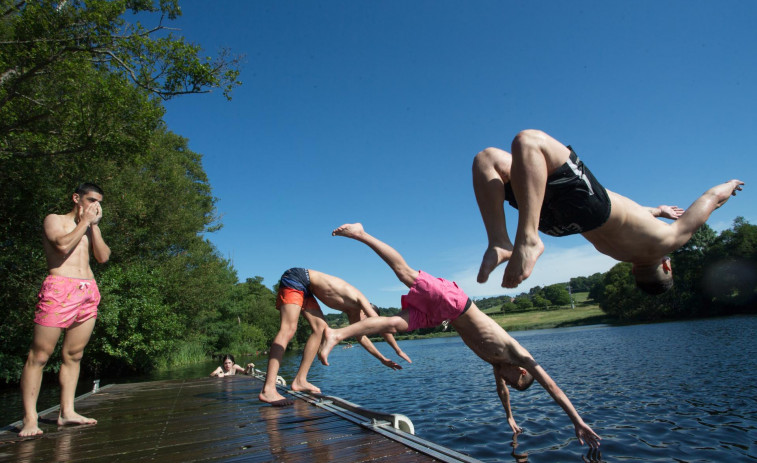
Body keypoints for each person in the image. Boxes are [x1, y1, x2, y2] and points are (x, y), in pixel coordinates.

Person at [319, 223, 600, 448]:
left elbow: (501, 393)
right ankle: (361, 233)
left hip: (444, 316)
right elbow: (554, 389)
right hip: (455, 302)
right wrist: (577, 421)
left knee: (393, 324)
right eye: (514, 383)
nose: (508, 385)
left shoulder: (497, 366)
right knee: (404, 273)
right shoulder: (519, 356)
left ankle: (337, 334)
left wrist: (510, 417)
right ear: (522, 374)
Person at [473, 129, 744, 293]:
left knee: (528, 141)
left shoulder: (669, 240)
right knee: (491, 161)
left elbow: (711, 199)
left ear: (667, 265)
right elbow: (628, 219)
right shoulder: (621, 252)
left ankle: (517, 240)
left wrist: (730, 186)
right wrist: (657, 211)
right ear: (635, 273)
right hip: (559, 223)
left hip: (589, 205)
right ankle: (503, 244)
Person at [19, 183, 111, 437]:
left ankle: (67, 412)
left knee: (75, 354)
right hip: (60, 288)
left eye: (99, 202)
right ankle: (30, 418)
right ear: (76, 198)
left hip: (88, 290)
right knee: (39, 355)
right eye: (91, 199)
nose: (96, 206)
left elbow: (103, 257)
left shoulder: (92, 228)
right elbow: (61, 246)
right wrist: (84, 224)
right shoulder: (55, 220)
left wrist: (93, 227)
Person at [258, 268, 412, 406]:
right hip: (298, 278)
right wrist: (398, 350)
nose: (366, 326)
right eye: (368, 322)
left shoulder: (353, 313)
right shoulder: (361, 300)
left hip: (306, 288)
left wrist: (382, 359)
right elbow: (383, 325)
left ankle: (300, 380)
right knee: (288, 329)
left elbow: (361, 338)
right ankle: (269, 389)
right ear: (367, 313)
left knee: (320, 328)